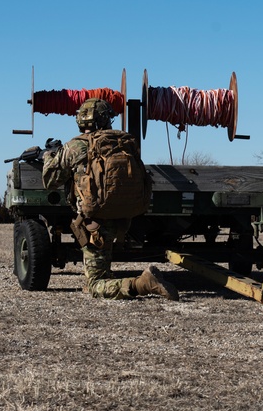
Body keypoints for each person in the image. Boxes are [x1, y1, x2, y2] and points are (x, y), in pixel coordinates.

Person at [42, 98, 179, 300]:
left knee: (95, 285)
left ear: (81, 120)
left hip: (95, 223)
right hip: (124, 218)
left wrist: (48, 156)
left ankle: (143, 283)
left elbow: (50, 179)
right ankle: (114, 279)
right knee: (100, 272)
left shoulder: (75, 147)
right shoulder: (126, 142)